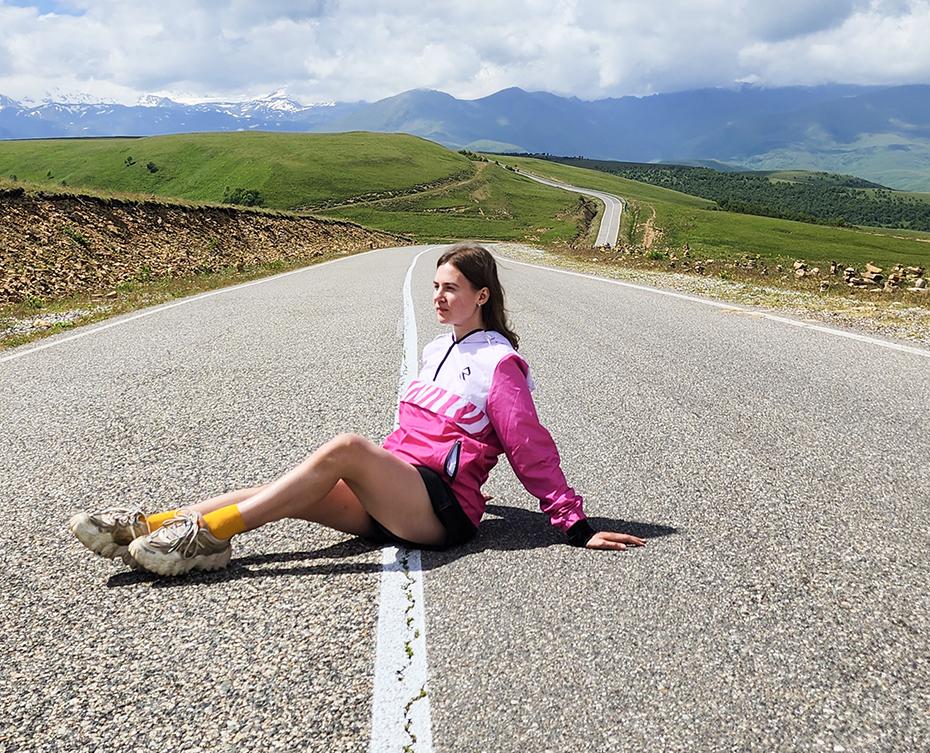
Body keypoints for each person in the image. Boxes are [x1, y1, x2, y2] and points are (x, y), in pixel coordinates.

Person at [69, 243, 647, 576]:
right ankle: (154, 528)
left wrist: (572, 524)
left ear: (482, 296)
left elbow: (528, 446)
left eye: (451, 288)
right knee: (278, 490)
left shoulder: (500, 363)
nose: (439, 297)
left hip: (440, 514)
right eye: (436, 287)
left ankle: (210, 539)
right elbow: (428, 436)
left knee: (345, 447)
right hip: (402, 494)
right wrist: (455, 469)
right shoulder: (434, 349)